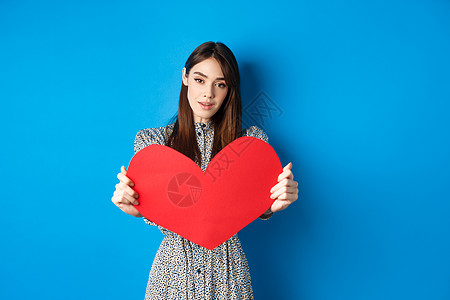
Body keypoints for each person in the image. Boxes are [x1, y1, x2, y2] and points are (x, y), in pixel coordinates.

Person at [111, 41, 299, 299]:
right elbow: (161, 211)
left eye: (220, 84)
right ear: (185, 77)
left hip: (228, 277)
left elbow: (248, 204)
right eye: (200, 80)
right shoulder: (153, 144)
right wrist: (136, 206)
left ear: (229, 90)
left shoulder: (250, 145)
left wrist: (273, 204)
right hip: (172, 277)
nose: (208, 93)